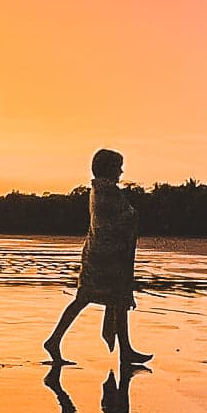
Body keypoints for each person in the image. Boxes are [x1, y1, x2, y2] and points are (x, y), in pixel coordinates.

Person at [46, 147, 152, 365]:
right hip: (106, 257)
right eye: (117, 167)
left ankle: (124, 350)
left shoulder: (98, 190)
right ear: (107, 169)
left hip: (100, 254)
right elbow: (117, 221)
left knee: (97, 299)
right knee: (112, 299)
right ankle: (56, 340)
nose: (121, 172)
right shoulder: (106, 192)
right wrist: (133, 216)